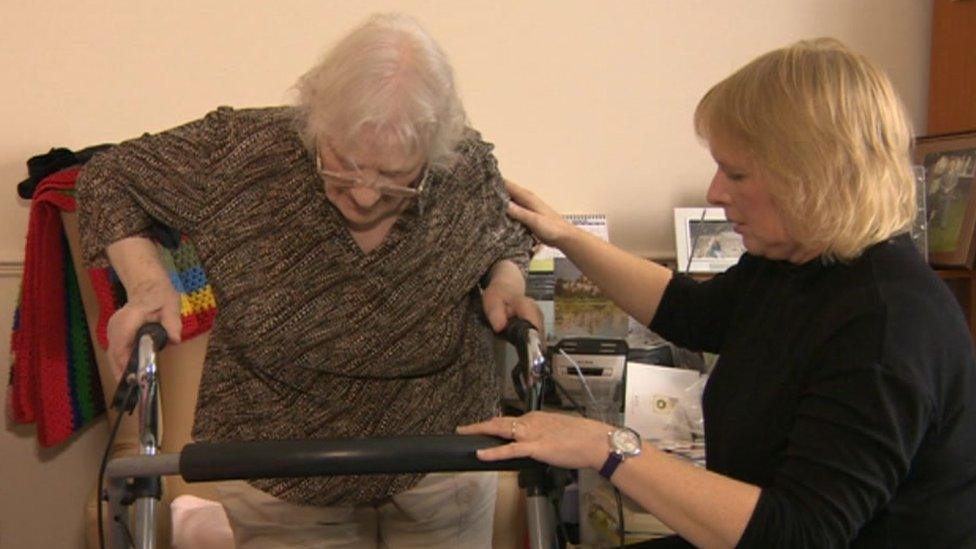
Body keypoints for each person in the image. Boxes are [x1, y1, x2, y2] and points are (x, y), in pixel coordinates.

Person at [460, 38, 976, 548]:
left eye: (737, 173)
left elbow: (799, 533)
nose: (714, 191)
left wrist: (608, 447)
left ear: (812, 178)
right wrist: (567, 236)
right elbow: (689, 311)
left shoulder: (886, 326)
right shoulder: (795, 264)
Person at [77, 13, 541, 548]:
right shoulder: (242, 152)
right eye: (344, 165)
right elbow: (108, 178)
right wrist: (149, 284)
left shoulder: (465, 166)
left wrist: (506, 283)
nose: (365, 194)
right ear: (315, 117)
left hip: (441, 449)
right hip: (280, 455)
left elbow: (508, 233)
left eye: (395, 178)